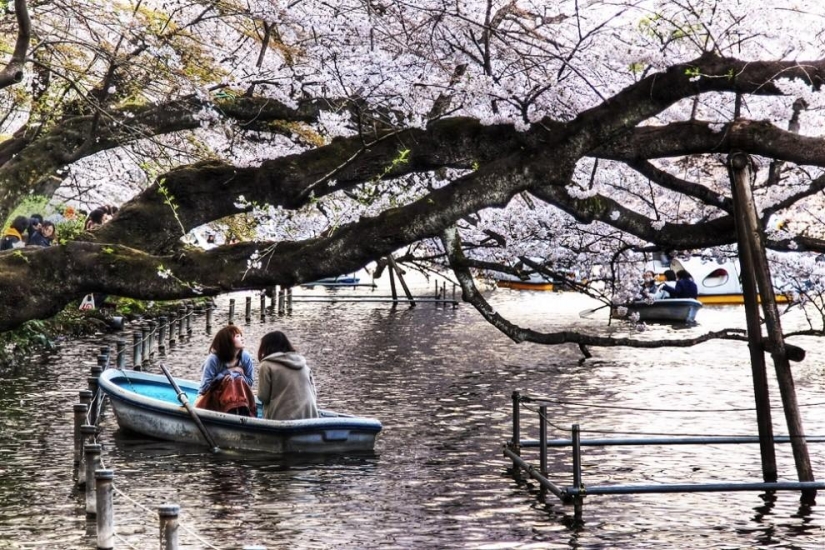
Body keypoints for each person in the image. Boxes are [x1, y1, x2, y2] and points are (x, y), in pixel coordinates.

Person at [257, 331, 319, 421]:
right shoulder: (304, 365)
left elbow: (263, 397)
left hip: (283, 418)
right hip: (310, 416)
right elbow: (314, 393)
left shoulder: (266, 365)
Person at [195, 325, 256, 416]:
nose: (242, 339)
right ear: (228, 342)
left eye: (241, 336)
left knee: (238, 380)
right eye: (237, 336)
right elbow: (205, 388)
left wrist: (239, 376)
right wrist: (229, 372)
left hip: (239, 398)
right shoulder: (213, 359)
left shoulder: (245, 357)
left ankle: (243, 413)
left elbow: (250, 382)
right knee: (228, 380)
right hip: (216, 400)